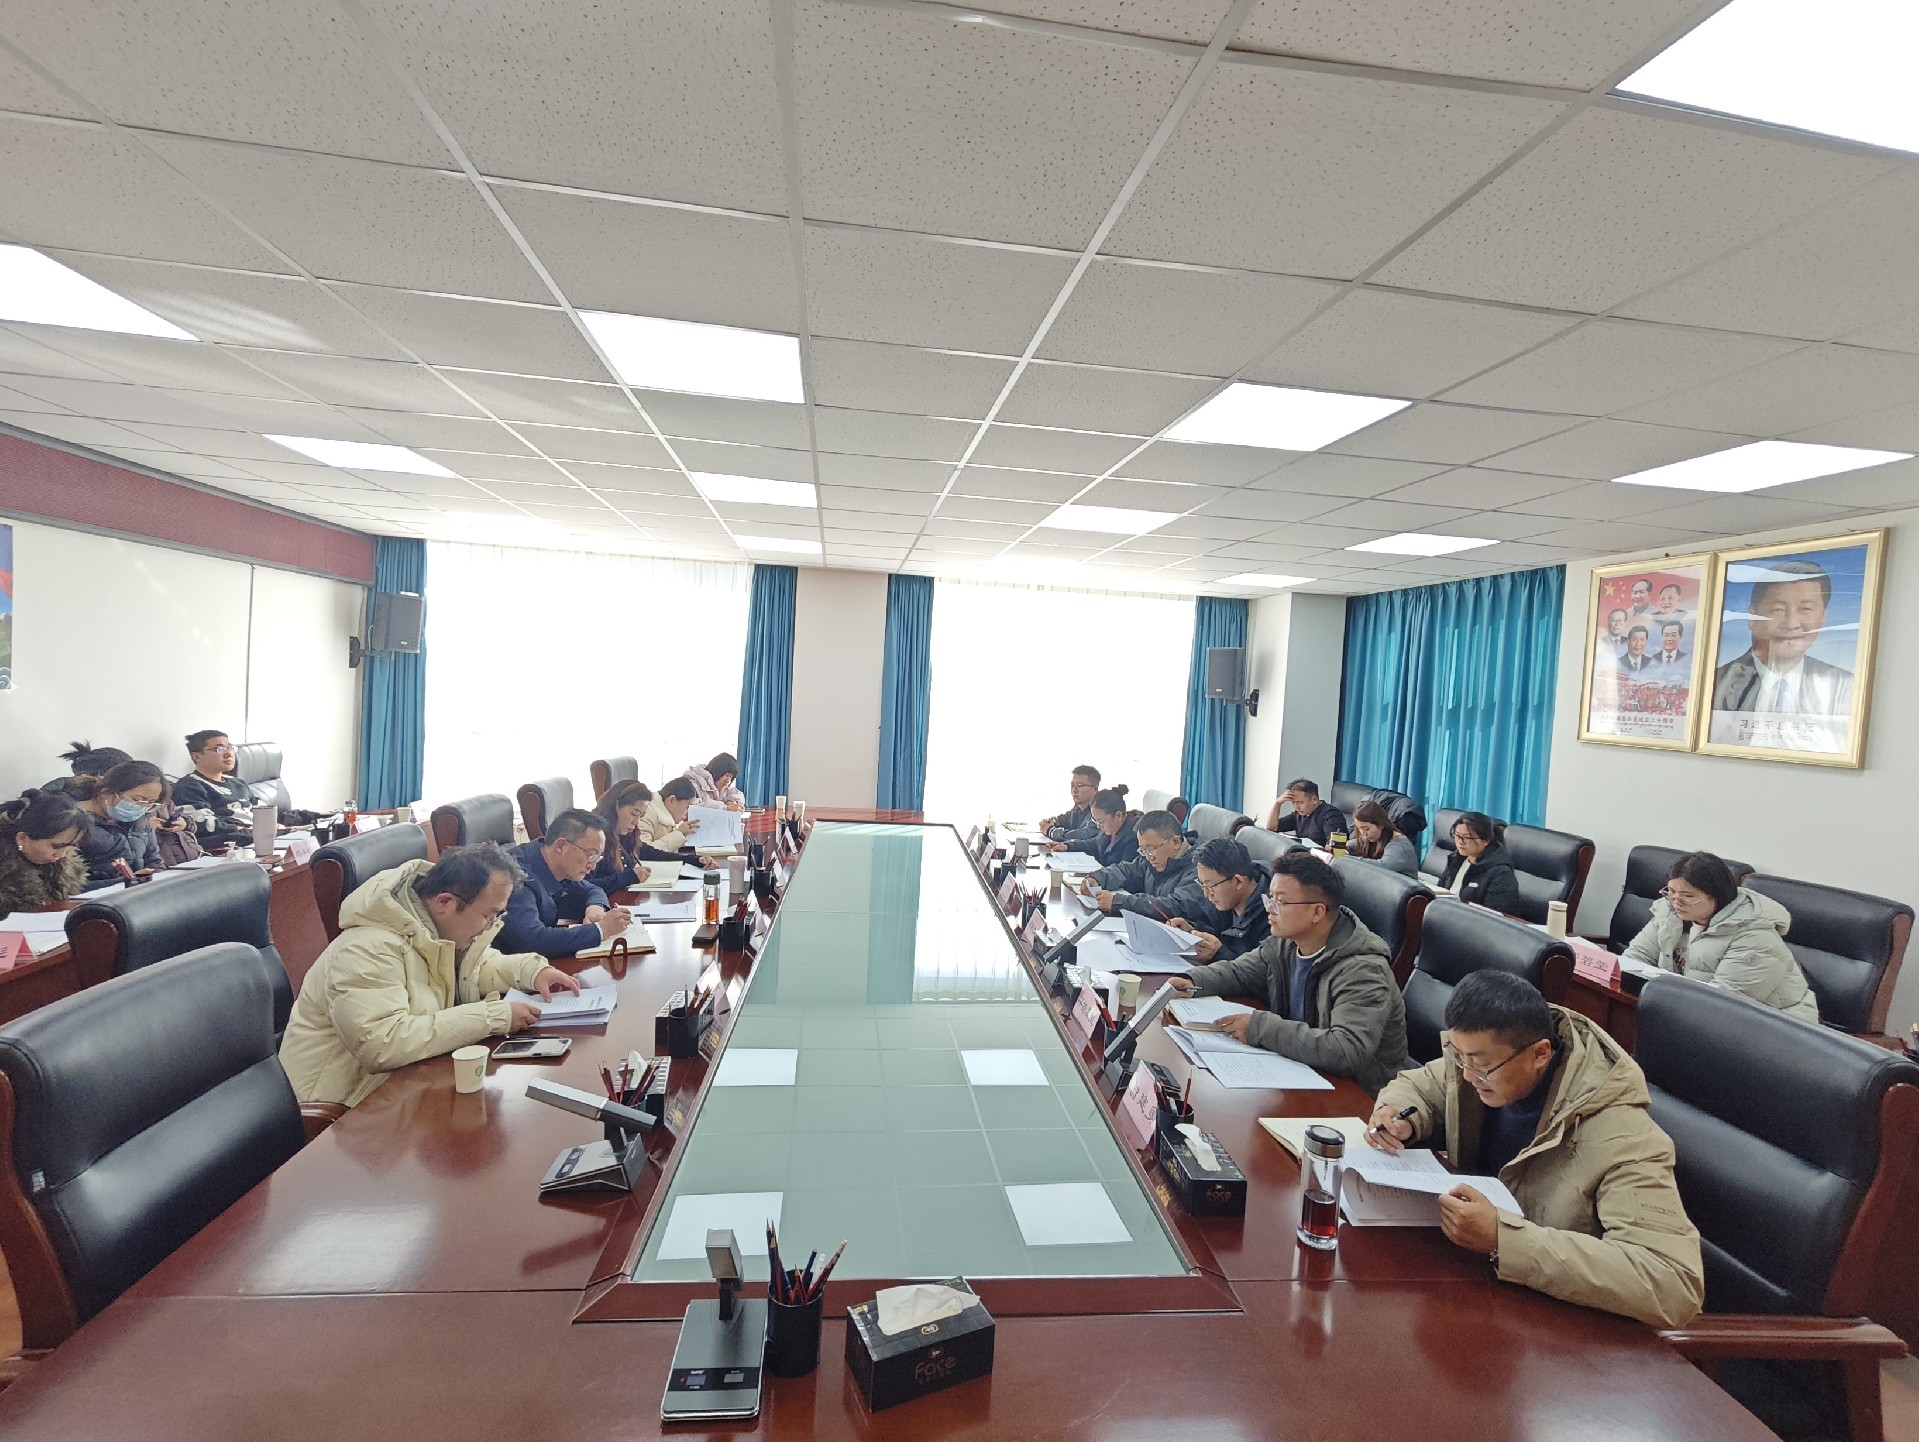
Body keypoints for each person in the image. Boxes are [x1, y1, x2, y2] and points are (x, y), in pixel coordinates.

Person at [1368, 971, 1704, 1328]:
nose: (1467, 1075)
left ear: (1541, 1054)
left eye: (1480, 1065)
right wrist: (1400, 1115)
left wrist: (1504, 1239)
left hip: (1564, 1327)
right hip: (1481, 1290)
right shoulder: (1486, 1062)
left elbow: (1672, 1281)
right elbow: (1419, 1086)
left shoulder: (1623, 1136)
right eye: (1460, 1057)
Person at [278, 843, 584, 1107]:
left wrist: (533, 970)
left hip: (403, 1089)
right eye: (488, 915)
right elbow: (383, 1044)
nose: (492, 926)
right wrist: (493, 1016)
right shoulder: (367, 949)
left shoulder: (432, 930)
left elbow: (478, 968)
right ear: (444, 903)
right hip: (342, 1113)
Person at [1171, 850, 1409, 1093]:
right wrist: (1191, 980)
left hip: (1358, 1094)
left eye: (1281, 902)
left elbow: (1347, 1050)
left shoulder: (1362, 969)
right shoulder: (1287, 942)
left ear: (1317, 912)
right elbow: (1239, 971)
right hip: (1301, 1069)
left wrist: (1260, 1028)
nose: (1269, 910)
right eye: (1270, 898)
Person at [1622, 852, 1817, 1022]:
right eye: (1671, 892)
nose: (1676, 902)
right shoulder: (1670, 914)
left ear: (1716, 895)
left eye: (1688, 896)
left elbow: (1723, 1005)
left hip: (1782, 1030)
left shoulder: (1756, 936)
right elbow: (1635, 957)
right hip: (1698, 1015)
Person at [1711, 560, 1855, 718]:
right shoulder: (1714, 684)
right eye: (1778, 610)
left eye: (1805, 609)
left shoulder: (1844, 686)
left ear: (1823, 617)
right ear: (1752, 617)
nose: (1791, 624)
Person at [496, 809, 632, 960]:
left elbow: (593, 889)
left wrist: (595, 908)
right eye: (591, 855)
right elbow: (532, 941)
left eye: (597, 857)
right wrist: (600, 930)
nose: (593, 866)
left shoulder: (552, 864)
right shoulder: (516, 876)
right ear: (560, 846)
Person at [1084, 808, 1203, 919]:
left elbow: (1174, 906)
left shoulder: (1199, 869)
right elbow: (1126, 871)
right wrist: (1098, 878)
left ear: (1176, 842)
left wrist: (1119, 902)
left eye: (1151, 849)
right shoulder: (1151, 859)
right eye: (1143, 849)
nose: (1148, 856)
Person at [1168, 836, 1270, 961]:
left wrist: (1218, 954)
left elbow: (1261, 970)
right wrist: (1192, 932)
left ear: (1238, 881)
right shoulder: (1225, 901)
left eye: (1210, 886)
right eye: (1202, 885)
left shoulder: (1272, 918)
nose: (1206, 894)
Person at [590, 780, 701, 893]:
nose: (636, 822)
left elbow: (651, 853)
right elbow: (585, 885)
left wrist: (693, 860)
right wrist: (630, 877)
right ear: (616, 806)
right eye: (634, 814)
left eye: (640, 817)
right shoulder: (595, 837)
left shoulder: (625, 836)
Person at [71, 760, 165, 884]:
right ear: (106, 792)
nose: (143, 808)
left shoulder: (140, 820)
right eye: (138, 800)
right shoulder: (73, 823)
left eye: (151, 803)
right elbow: (70, 885)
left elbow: (155, 861)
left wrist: (155, 874)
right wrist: (129, 882)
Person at [0, 789, 87, 913]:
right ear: (22, 838)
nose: (62, 854)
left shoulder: (63, 868)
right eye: (56, 846)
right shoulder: (6, 869)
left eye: (70, 846)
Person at [169, 729, 254, 844]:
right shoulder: (189, 786)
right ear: (197, 757)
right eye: (219, 749)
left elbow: (262, 809)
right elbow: (201, 822)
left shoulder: (239, 783)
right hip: (228, 841)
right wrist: (239, 828)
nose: (228, 754)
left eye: (230, 747)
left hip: (255, 834)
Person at [1436, 811, 1521, 915]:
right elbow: (1440, 889)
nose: (1460, 842)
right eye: (1457, 836)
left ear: (1486, 840)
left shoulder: (1501, 874)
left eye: (1467, 837)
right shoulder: (1456, 859)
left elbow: (1495, 916)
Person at [1262, 778, 1347, 849]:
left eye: (1300, 802)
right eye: (1293, 803)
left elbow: (1333, 848)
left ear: (1314, 799)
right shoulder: (1298, 814)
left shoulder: (1331, 815)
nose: (1296, 807)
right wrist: (1277, 803)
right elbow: (1272, 828)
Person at [1348, 800, 1419, 878]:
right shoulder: (1372, 837)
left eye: (1367, 829)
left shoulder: (1399, 846)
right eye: (1359, 829)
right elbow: (1349, 845)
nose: (1363, 833)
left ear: (1381, 825)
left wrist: (1348, 859)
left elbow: (1383, 867)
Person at [1041, 766, 1101, 850]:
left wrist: (1050, 831)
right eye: (1072, 785)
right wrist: (1050, 822)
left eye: (1079, 785)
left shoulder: (1100, 810)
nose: (1074, 790)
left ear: (1095, 789)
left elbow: (1085, 834)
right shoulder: (1077, 809)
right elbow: (1062, 820)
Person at [637, 776, 704, 852]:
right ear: (671, 800)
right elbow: (643, 852)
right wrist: (679, 834)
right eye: (687, 807)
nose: (688, 813)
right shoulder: (646, 814)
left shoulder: (674, 818)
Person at [1086, 785, 1139, 868]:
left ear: (1118, 816)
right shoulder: (1112, 830)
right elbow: (1095, 843)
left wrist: (1099, 875)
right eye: (1095, 821)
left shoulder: (1132, 837)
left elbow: (1124, 870)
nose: (1098, 826)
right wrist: (1068, 846)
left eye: (1100, 821)